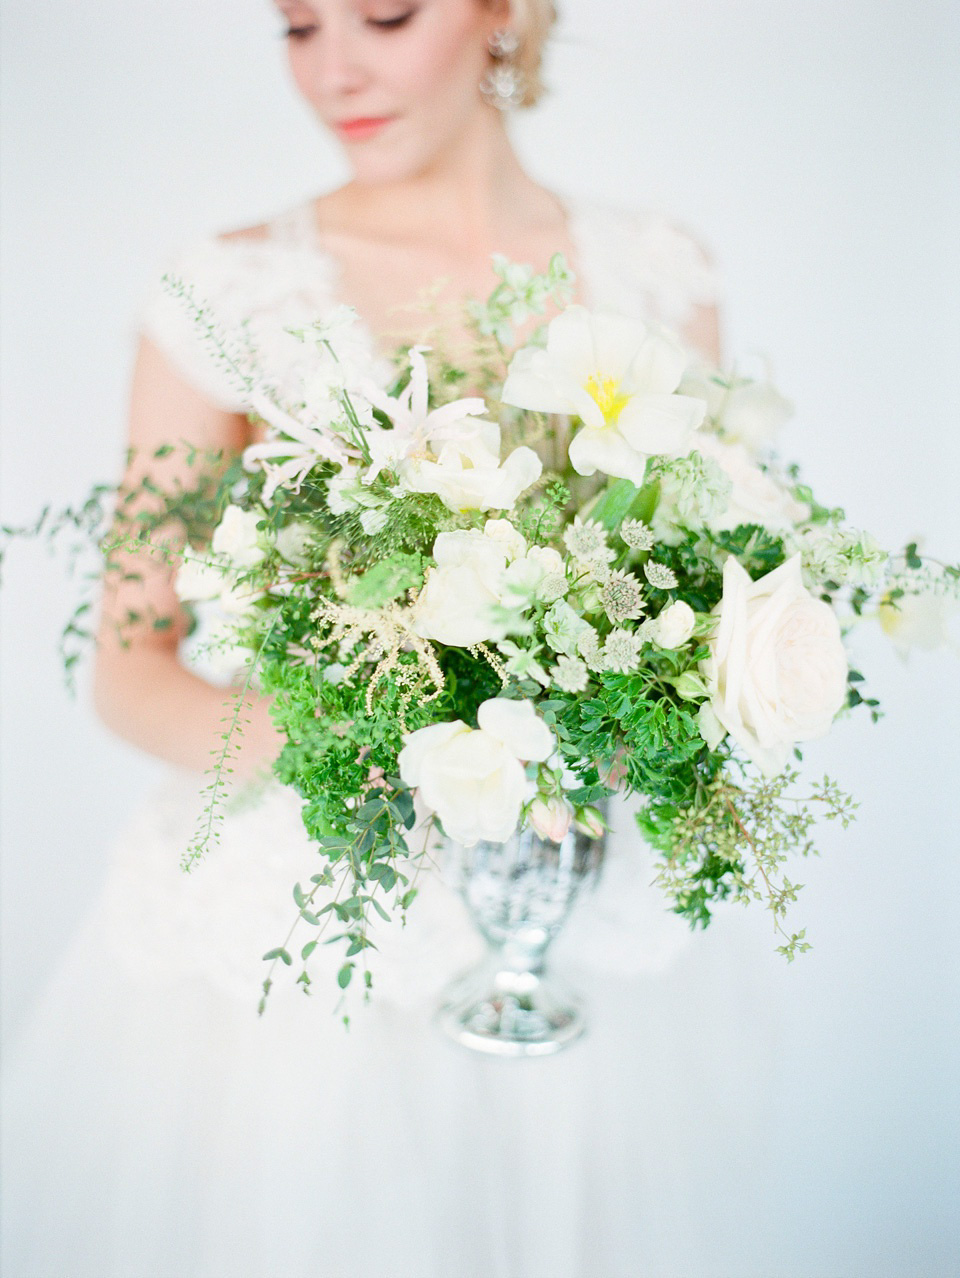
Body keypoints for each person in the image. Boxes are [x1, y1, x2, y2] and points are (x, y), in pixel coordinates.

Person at [1, 2, 728, 1275]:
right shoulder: (229, 290)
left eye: (386, 13)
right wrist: (362, 747)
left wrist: (637, 715)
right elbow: (126, 666)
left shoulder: (661, 272)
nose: (335, 68)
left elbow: (718, 601)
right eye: (295, 27)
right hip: (299, 954)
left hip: (572, 919)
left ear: (502, 12)